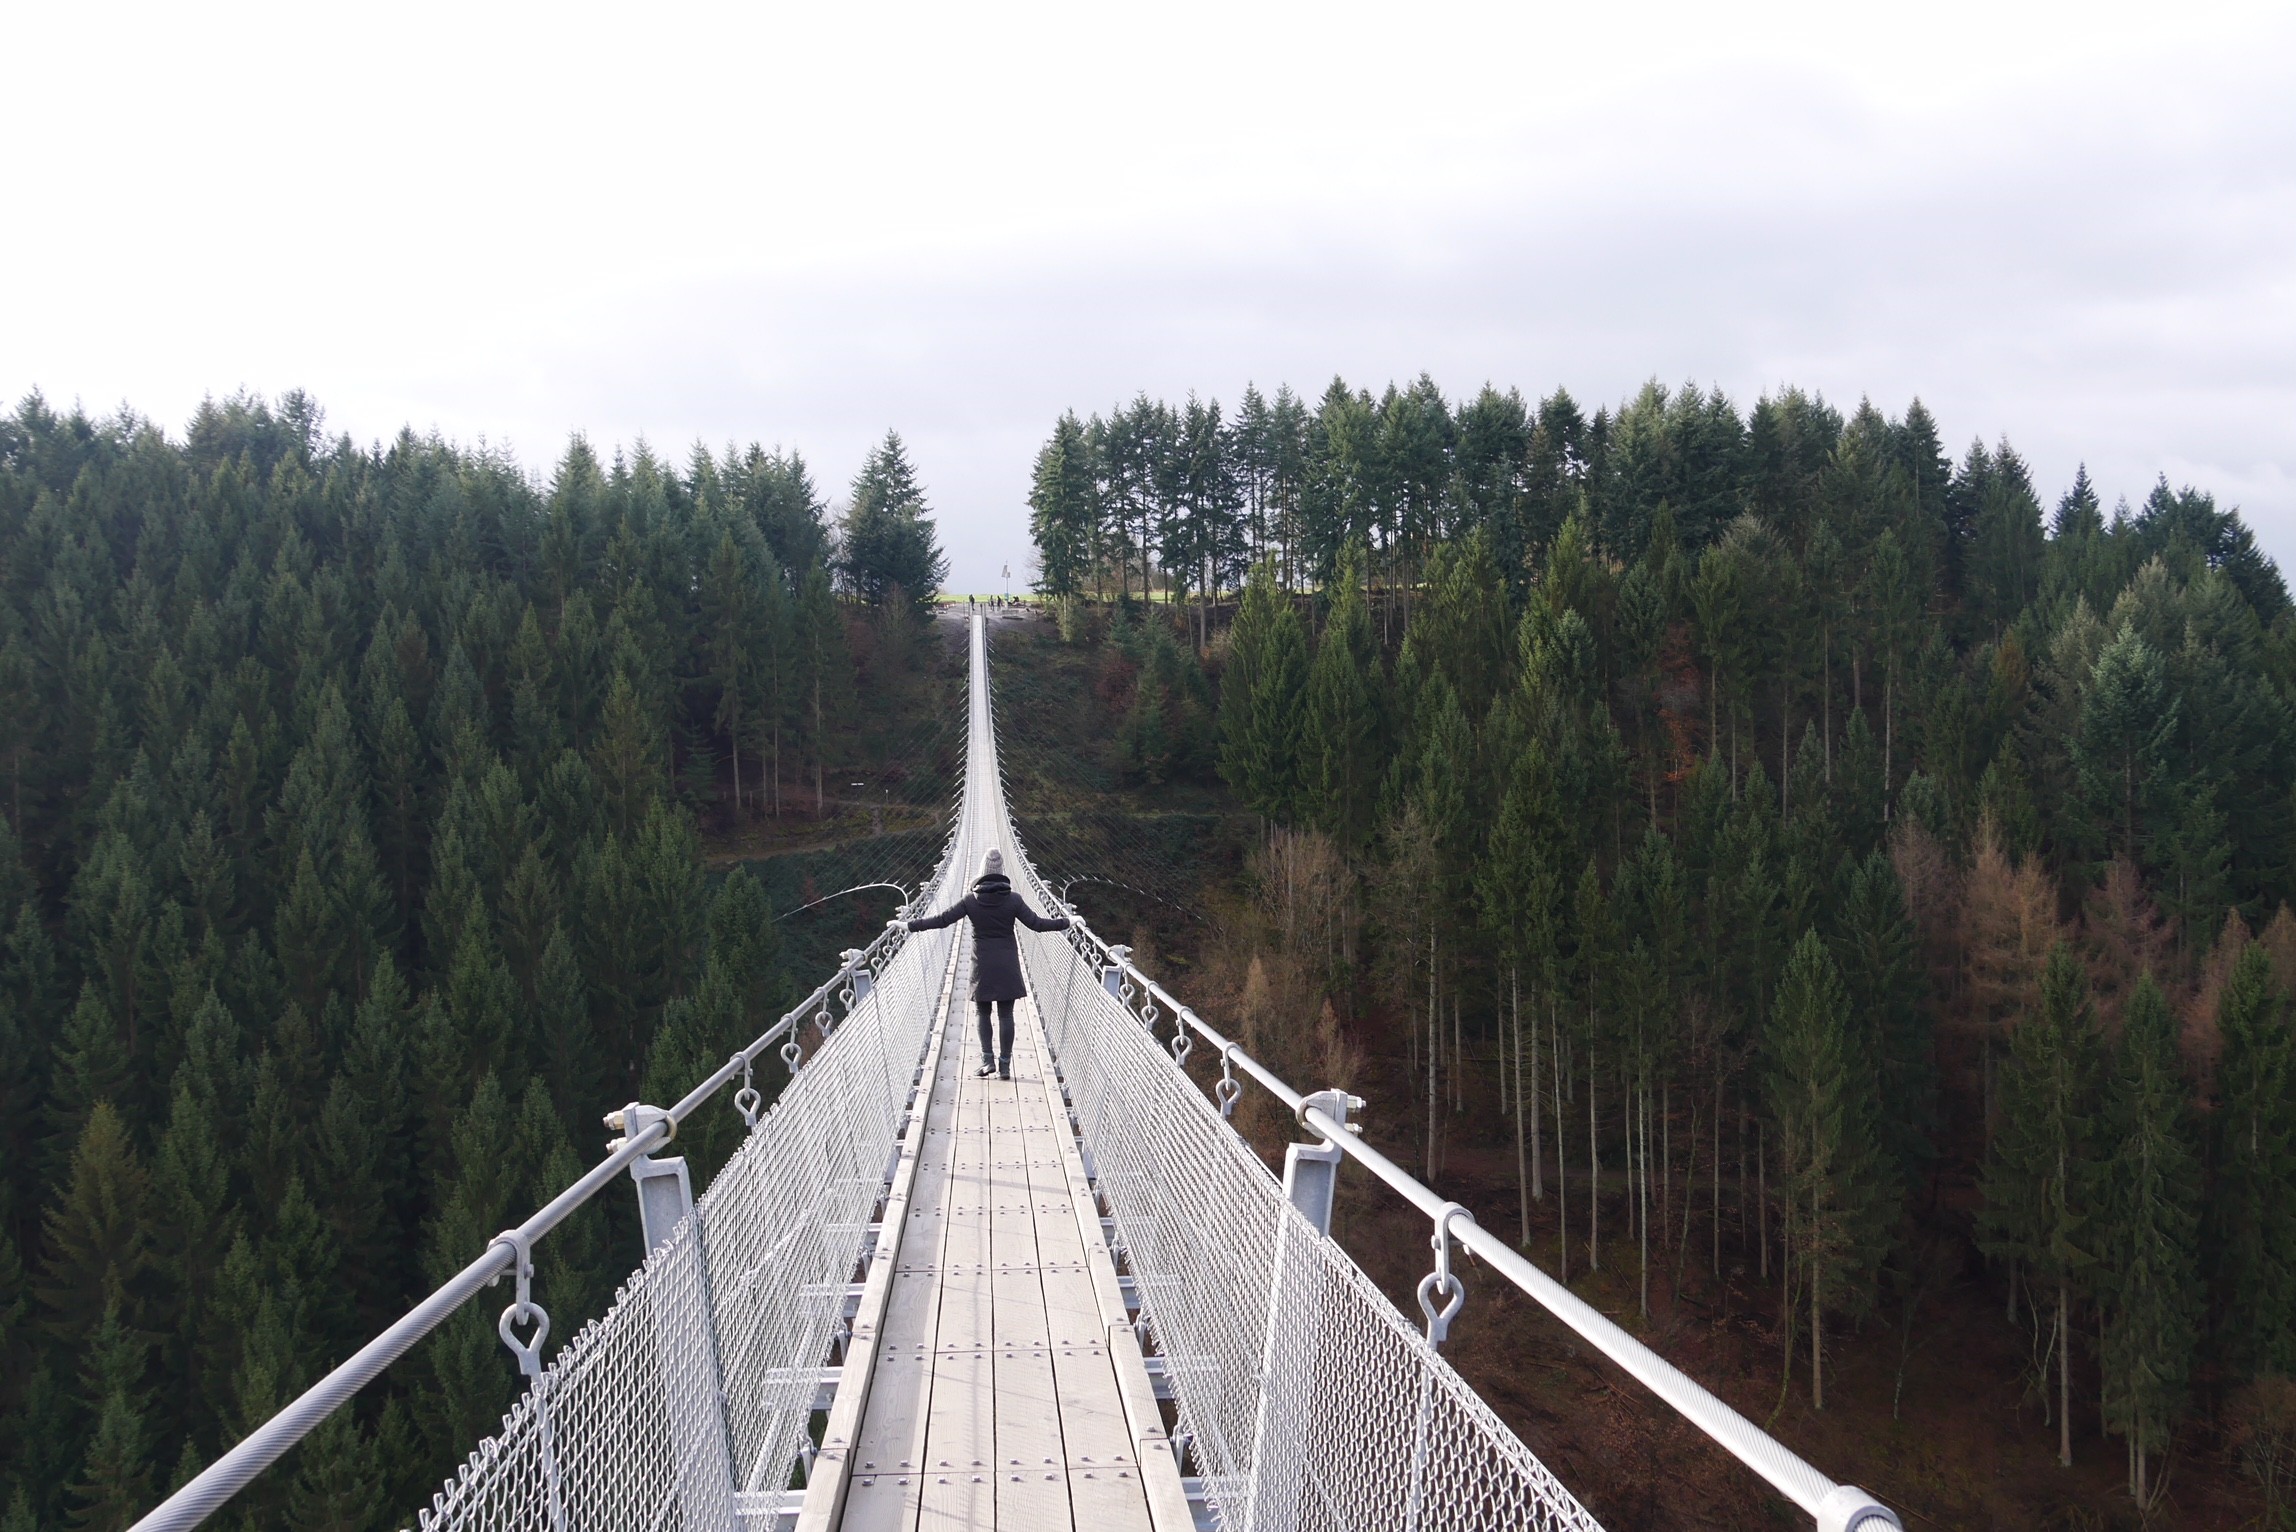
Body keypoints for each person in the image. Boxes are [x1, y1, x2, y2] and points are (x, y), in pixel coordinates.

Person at [907, 849, 1070, 1078]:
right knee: (1006, 1014)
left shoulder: (970, 901)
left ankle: (987, 1061)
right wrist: (1066, 922)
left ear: (982, 872)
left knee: (982, 1013)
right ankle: (1005, 1065)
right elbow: (1037, 924)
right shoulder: (1014, 900)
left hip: (981, 964)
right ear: (1002, 872)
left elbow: (942, 920)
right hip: (1007, 964)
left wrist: (909, 926)